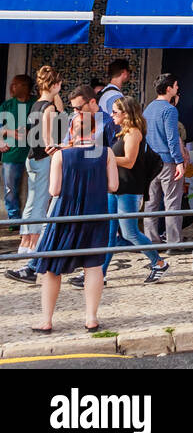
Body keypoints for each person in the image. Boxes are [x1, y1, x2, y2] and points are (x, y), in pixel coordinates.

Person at [31, 101, 117, 335]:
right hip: (95, 213)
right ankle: (91, 318)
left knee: (51, 268)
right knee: (93, 266)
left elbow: (54, 191)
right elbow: (113, 185)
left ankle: (47, 320)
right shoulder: (106, 153)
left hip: (66, 216)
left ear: (71, 130)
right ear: (93, 130)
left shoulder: (61, 156)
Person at [6, 66, 62, 285]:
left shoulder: (36, 105)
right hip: (43, 159)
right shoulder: (47, 108)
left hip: (32, 158)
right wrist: (61, 148)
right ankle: (32, 253)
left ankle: (25, 246)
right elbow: (48, 140)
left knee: (31, 203)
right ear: (56, 84)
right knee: (39, 204)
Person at [101, 97, 165, 284]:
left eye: (115, 112)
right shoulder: (124, 133)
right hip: (116, 188)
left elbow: (129, 161)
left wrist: (106, 156)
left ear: (126, 113)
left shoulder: (134, 133)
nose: (112, 115)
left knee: (130, 233)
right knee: (109, 234)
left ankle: (159, 263)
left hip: (129, 190)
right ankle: (100, 274)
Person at [143, 74, 186, 250]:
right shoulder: (170, 110)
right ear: (168, 89)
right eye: (176, 86)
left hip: (150, 162)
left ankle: (151, 242)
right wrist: (180, 161)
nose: (177, 89)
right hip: (167, 161)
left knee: (151, 204)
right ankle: (174, 242)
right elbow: (172, 138)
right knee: (172, 203)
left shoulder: (148, 108)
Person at [0, 74, 32, 224]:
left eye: (16, 84)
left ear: (25, 87)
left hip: (32, 155)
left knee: (33, 190)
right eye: (12, 84)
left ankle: (30, 219)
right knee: (10, 191)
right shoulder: (7, 105)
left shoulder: (34, 104)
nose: (12, 87)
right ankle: (14, 220)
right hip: (11, 157)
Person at [96, 59, 131, 148]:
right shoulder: (115, 95)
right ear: (124, 72)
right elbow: (119, 120)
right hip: (110, 141)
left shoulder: (104, 92)